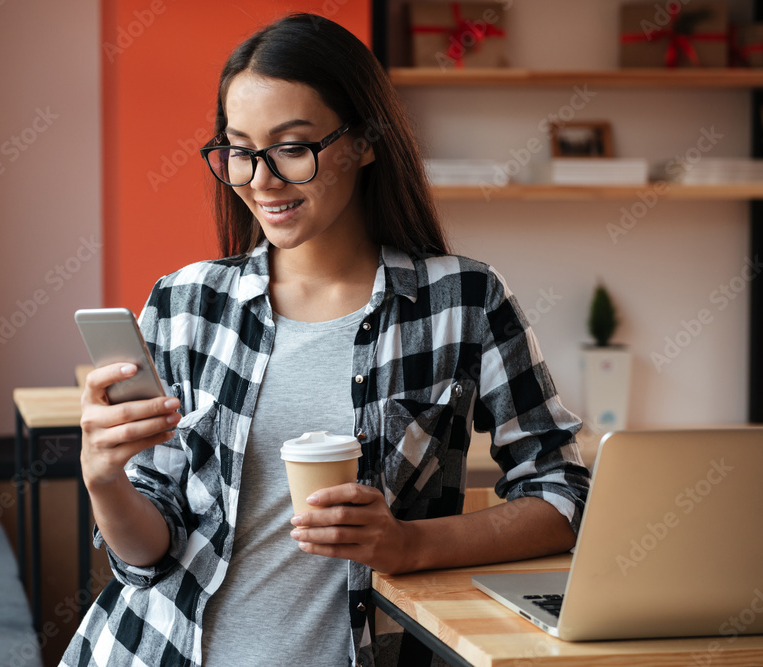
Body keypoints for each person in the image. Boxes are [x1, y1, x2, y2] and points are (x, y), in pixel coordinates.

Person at [61, 13, 589, 667]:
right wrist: (105, 481)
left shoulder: (463, 301)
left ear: (365, 140)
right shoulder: (184, 304)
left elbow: (564, 492)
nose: (260, 178)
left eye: (291, 146)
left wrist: (408, 544)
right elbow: (148, 555)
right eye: (239, 149)